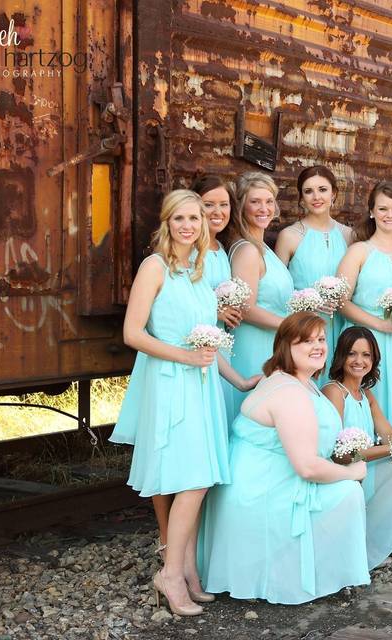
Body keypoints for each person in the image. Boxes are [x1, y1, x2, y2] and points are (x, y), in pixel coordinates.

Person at [110, 190, 257, 616]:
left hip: (202, 382)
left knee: (199, 476)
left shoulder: (198, 271)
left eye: (195, 218)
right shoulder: (154, 267)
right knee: (192, 477)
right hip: (170, 380)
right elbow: (133, 334)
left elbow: (208, 343)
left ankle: (186, 569)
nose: (189, 225)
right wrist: (187, 357)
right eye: (180, 218)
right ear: (167, 223)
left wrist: (239, 378)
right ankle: (170, 574)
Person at [197, 312, 370, 604]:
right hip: (261, 491)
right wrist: (353, 472)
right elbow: (306, 466)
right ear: (285, 347)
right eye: (306, 341)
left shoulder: (295, 379)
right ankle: (301, 574)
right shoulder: (291, 392)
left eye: (321, 339)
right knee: (348, 491)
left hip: (270, 478)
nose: (318, 346)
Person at [322, 327, 392, 568]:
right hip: (341, 471)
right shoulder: (334, 391)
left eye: (366, 355)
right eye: (352, 354)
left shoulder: (365, 394)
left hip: (362, 467)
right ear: (341, 357)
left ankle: (373, 544)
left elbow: (388, 434)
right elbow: (341, 454)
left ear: (374, 359)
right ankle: (356, 552)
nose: (359, 361)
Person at [336, 181, 392, 430]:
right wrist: (379, 324)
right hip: (365, 340)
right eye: (383, 209)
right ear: (372, 212)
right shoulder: (359, 251)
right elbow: (341, 302)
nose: (389, 215)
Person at [276, 165, 354, 386]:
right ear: (301, 198)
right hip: (304, 330)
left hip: (341, 325)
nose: (316, 196)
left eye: (322, 189)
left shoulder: (349, 236)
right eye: (308, 191)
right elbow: (278, 289)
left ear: (334, 194)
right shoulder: (289, 236)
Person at [227, 172, 294, 413]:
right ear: (242, 206)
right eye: (255, 201)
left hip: (270, 341)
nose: (263, 208)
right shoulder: (247, 250)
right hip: (253, 343)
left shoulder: (261, 247)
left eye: (268, 201)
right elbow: (245, 309)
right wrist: (292, 325)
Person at [191, 175, 241, 422]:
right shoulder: (191, 249)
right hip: (196, 344)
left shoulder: (220, 249)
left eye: (224, 204)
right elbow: (181, 297)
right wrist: (216, 310)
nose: (218, 211)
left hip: (220, 340)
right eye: (209, 204)